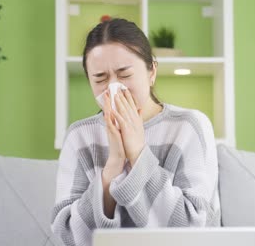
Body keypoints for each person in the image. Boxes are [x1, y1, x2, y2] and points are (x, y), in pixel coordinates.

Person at [50, 18, 220, 246]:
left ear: (151, 71)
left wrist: (138, 154)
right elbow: (67, 237)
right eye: (100, 78)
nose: (113, 88)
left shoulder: (189, 126)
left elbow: (196, 229)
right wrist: (113, 168)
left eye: (125, 74)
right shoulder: (79, 137)